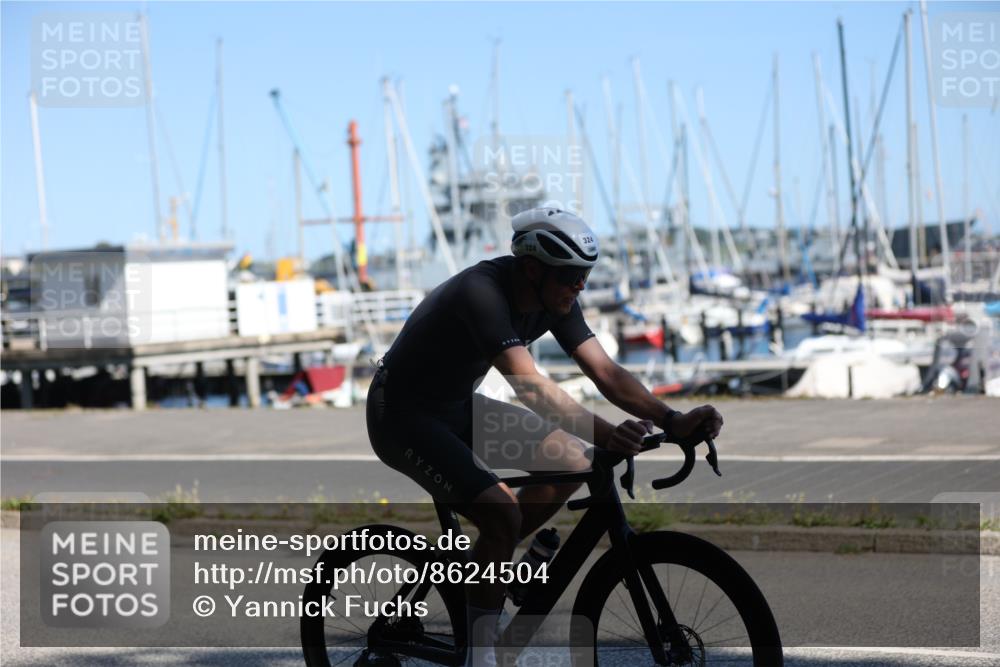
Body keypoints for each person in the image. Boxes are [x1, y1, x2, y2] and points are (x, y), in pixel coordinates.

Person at [366, 207, 723, 665]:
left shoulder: (555, 298)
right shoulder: (482, 293)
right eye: (571, 276)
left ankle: (488, 573)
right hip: (400, 415)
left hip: (454, 408)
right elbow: (532, 389)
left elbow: (607, 373)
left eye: (586, 276)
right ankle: (482, 656)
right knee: (499, 514)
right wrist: (612, 434)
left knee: (572, 461)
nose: (580, 287)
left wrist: (673, 419)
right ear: (532, 269)